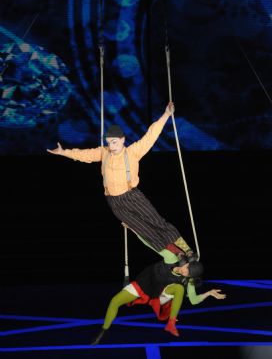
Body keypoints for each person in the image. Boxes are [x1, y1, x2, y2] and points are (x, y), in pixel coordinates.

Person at [47, 102, 195, 260]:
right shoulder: (104, 153)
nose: (111, 146)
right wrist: (63, 152)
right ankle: (177, 254)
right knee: (145, 231)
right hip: (113, 201)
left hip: (131, 196)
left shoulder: (132, 152)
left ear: (123, 139)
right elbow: (84, 155)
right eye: (109, 142)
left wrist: (166, 114)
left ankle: (188, 250)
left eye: (114, 142)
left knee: (157, 222)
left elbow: (151, 135)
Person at [90, 246, 226, 344]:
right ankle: (104, 330)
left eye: (188, 274)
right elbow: (151, 243)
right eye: (187, 269)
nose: (184, 272)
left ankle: (171, 323)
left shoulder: (187, 280)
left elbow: (194, 300)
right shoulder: (171, 258)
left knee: (179, 288)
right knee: (115, 301)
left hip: (161, 294)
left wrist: (209, 293)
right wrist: (133, 228)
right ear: (187, 263)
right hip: (145, 284)